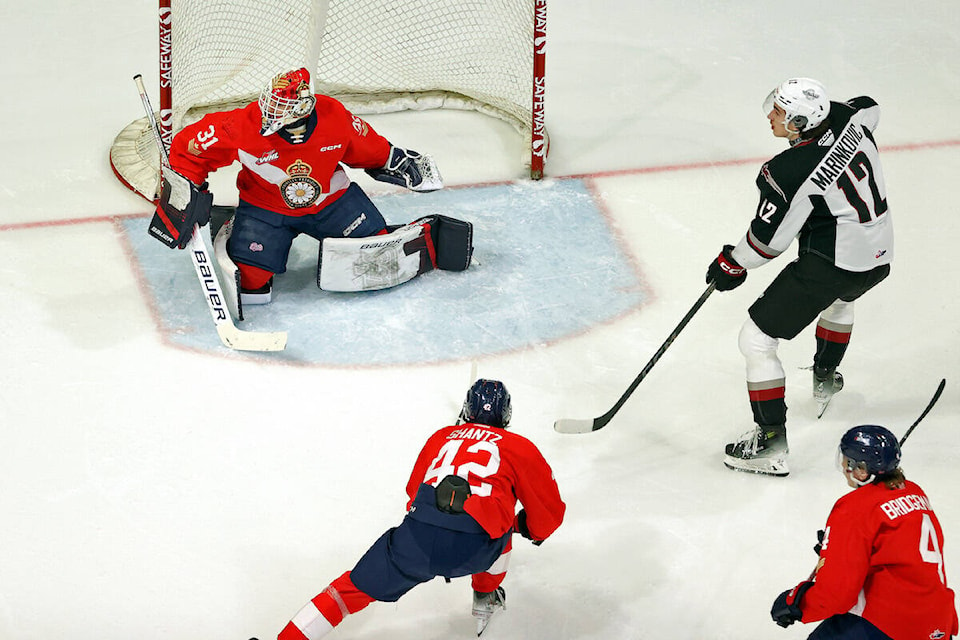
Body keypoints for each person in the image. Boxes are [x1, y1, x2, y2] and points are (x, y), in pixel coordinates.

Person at [148, 67, 472, 310]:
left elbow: (368, 147)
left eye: (280, 108)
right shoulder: (242, 126)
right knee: (251, 287)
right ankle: (237, 229)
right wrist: (183, 192)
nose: (269, 113)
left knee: (372, 257)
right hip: (266, 209)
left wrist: (396, 161)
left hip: (333, 203)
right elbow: (189, 148)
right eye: (270, 104)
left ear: (303, 108)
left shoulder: (335, 117)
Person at [265, 380, 565, 639]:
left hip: (417, 540)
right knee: (500, 528)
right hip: (475, 549)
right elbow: (548, 515)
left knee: (348, 590)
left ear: (466, 410)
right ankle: (485, 595)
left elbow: (413, 492)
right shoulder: (520, 446)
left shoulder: (441, 436)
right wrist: (523, 526)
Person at [705, 77, 894, 476]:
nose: (771, 117)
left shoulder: (789, 169)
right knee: (843, 298)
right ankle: (825, 377)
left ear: (801, 124)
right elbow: (870, 107)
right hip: (878, 255)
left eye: (780, 113)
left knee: (755, 340)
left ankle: (770, 444)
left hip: (833, 261)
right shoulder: (850, 116)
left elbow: (767, 243)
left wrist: (731, 263)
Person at [770, 424, 958, 639]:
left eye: (846, 459)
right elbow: (900, 550)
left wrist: (797, 605)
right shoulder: (914, 491)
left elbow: (837, 595)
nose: (842, 466)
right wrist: (845, 547)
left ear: (861, 470)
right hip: (937, 623)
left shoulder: (854, 507)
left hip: (892, 625)